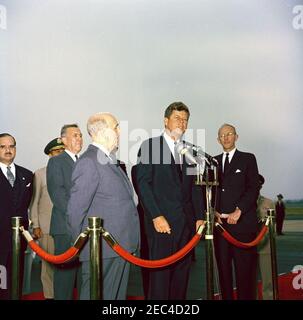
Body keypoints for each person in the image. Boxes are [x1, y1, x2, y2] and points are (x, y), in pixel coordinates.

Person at [132, 102, 204, 300]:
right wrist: (156, 216)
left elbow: (195, 188)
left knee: (181, 278)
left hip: (186, 225)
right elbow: (143, 185)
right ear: (165, 121)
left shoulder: (191, 151)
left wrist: (199, 217)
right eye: (176, 118)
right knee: (160, 279)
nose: (181, 123)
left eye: (185, 120)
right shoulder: (151, 146)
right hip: (161, 224)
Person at [67, 112, 140, 300]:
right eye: (116, 127)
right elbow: (75, 211)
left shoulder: (108, 159)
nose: (119, 131)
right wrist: (82, 248)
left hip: (117, 246)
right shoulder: (90, 162)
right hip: (101, 250)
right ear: (102, 131)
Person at [214, 124, 259, 300]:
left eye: (229, 134)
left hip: (243, 226)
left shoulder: (248, 159)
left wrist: (239, 210)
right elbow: (208, 191)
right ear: (218, 140)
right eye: (222, 135)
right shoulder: (213, 162)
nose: (225, 138)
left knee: (245, 275)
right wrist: (213, 211)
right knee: (224, 273)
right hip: (221, 228)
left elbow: (253, 188)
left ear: (236, 137)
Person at [46, 124, 83, 300]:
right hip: (65, 228)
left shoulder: (85, 161)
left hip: (86, 229)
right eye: (74, 135)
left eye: (81, 135)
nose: (79, 138)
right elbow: (58, 195)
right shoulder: (56, 162)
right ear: (63, 140)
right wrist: (79, 219)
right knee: (65, 279)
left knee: (85, 277)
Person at [29, 138, 65, 300]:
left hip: (67, 228)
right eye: (57, 151)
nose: (60, 154)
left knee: (66, 266)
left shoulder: (71, 171)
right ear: (50, 154)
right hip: (47, 227)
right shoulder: (40, 174)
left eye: (63, 151)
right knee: (48, 266)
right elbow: (34, 202)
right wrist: (36, 225)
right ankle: (50, 296)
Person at [0, 133, 33, 300]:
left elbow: (27, 205)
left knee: (16, 283)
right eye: (3, 146)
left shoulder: (27, 175)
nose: (8, 150)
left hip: (19, 240)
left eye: (11, 146)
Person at [256, 174, 275, 300]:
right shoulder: (240, 203)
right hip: (246, 247)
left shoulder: (268, 203)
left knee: (268, 281)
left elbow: (272, 226)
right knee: (248, 282)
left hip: (265, 247)